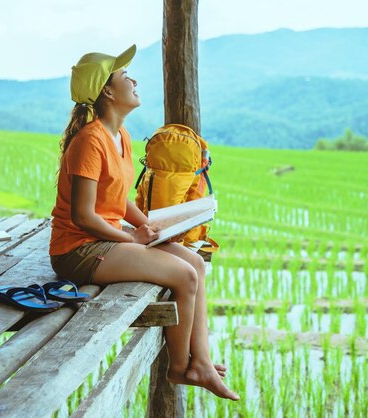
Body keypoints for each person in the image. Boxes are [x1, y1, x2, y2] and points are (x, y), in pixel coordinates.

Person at [49, 45, 239, 401]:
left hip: (108, 239)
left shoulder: (119, 135)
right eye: (124, 76)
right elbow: (83, 216)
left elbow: (115, 197)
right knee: (182, 275)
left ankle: (202, 360)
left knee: (194, 262)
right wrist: (134, 238)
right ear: (107, 91)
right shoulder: (89, 141)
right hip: (78, 250)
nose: (133, 80)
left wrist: (147, 225)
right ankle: (182, 367)